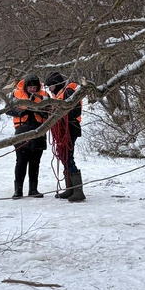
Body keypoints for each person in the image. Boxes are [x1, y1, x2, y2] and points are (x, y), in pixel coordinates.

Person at [45, 71, 85, 202]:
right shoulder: (58, 95)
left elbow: (75, 111)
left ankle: (78, 191)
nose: (50, 90)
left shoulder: (68, 92)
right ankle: (70, 189)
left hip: (70, 128)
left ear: (56, 85)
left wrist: (60, 118)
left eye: (50, 86)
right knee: (64, 156)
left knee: (68, 157)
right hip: (63, 130)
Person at [7, 75, 47, 199]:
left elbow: (50, 110)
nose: (32, 90)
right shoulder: (16, 94)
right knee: (21, 162)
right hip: (21, 132)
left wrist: (40, 111)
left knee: (35, 163)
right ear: (25, 87)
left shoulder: (44, 95)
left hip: (39, 132)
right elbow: (8, 109)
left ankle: (33, 189)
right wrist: (22, 112)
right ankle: (18, 190)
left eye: (34, 87)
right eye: (30, 87)